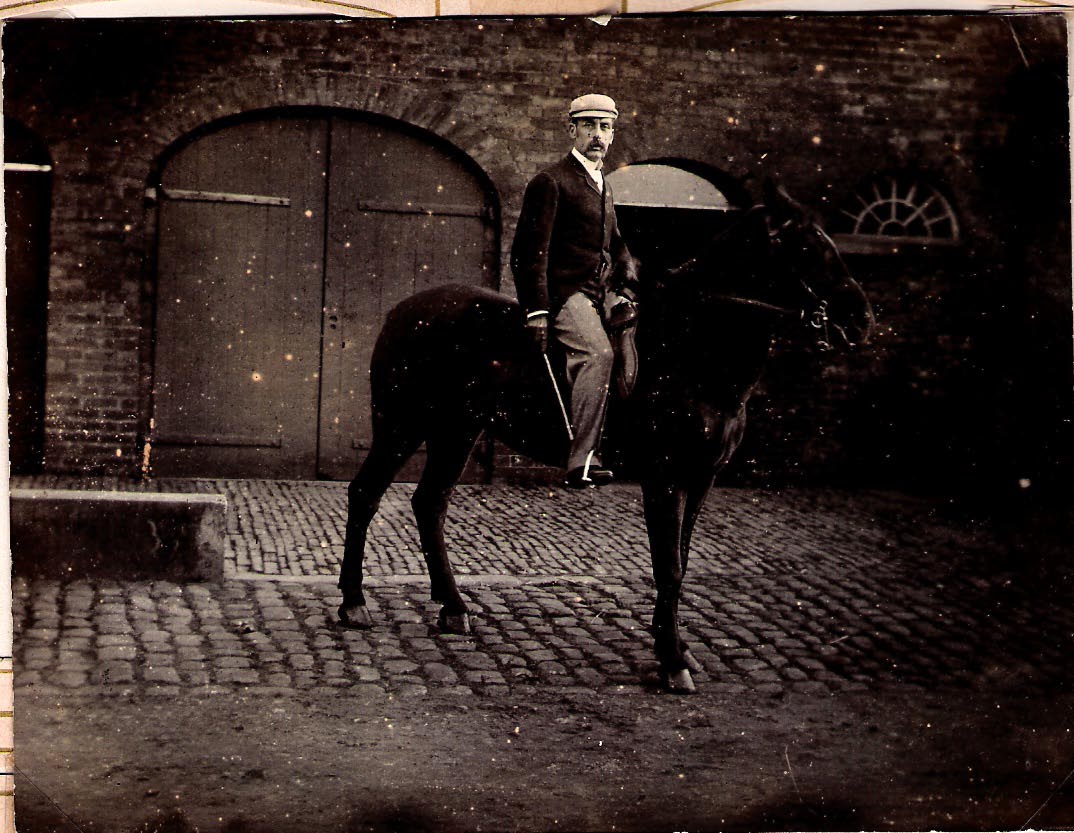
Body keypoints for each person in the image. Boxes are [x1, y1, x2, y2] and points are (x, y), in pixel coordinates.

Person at [510, 93, 640, 489]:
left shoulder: (604, 185)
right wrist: (537, 310)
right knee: (597, 355)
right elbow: (528, 253)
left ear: (613, 135)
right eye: (588, 126)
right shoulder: (552, 181)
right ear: (572, 130)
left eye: (604, 128)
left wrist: (627, 280)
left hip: (600, 293)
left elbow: (614, 242)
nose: (596, 135)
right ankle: (581, 458)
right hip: (566, 294)